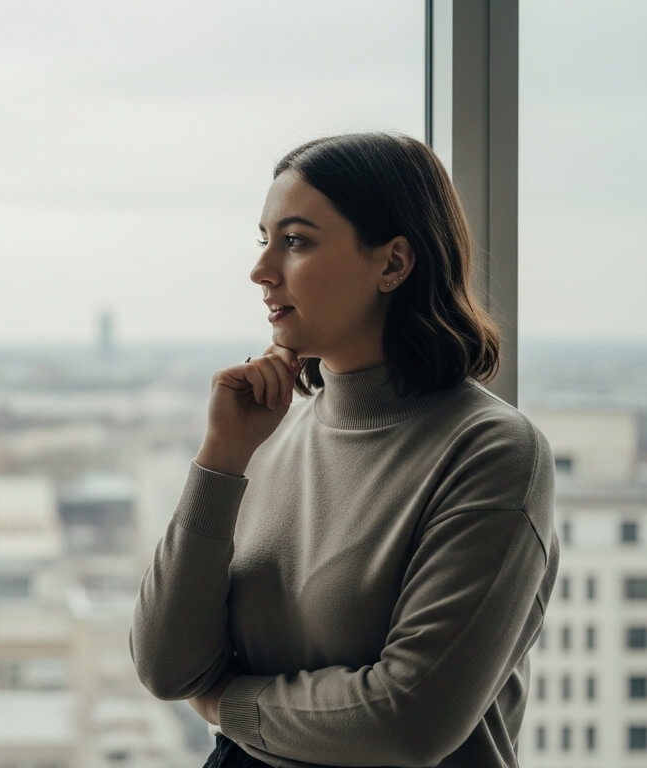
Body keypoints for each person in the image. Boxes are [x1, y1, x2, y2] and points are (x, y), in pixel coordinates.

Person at [130, 133, 557, 768]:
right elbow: (167, 668)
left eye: (296, 241)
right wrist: (221, 458)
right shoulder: (268, 439)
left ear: (392, 263)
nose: (261, 270)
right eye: (264, 240)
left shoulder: (491, 451)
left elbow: (410, 718)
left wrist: (228, 706)